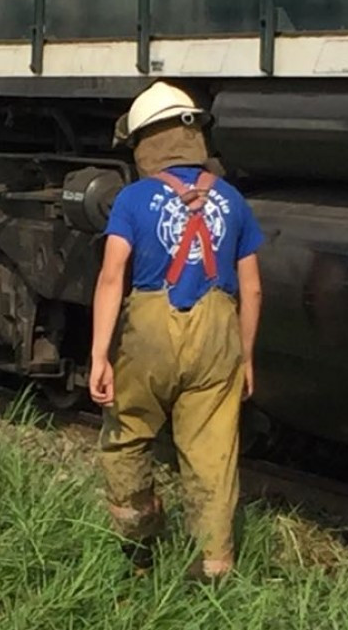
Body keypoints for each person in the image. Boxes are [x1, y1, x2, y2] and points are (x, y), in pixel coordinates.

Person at [89, 81, 264, 582]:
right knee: (212, 452)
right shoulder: (232, 199)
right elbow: (252, 289)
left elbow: (111, 277)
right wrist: (245, 356)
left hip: (149, 334)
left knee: (127, 435)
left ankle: (139, 546)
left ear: (144, 141)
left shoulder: (132, 199)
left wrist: (100, 355)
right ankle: (213, 568)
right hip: (217, 334)